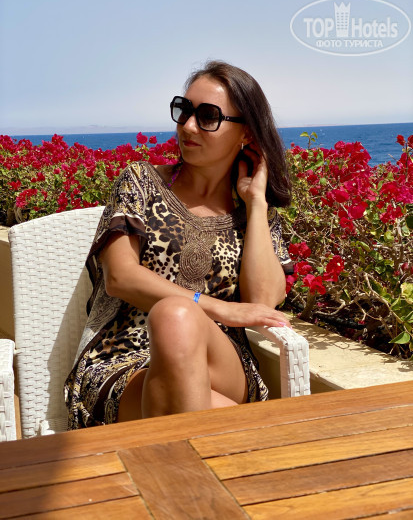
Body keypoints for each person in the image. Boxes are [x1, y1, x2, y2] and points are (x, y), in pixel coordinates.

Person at [64, 60, 294, 428]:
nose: (187, 126)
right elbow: (120, 277)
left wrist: (255, 204)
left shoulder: (256, 216)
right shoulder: (141, 181)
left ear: (247, 134)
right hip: (123, 359)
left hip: (220, 362)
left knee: (177, 316)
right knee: (176, 317)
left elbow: (263, 302)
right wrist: (218, 309)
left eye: (208, 116)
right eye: (184, 110)